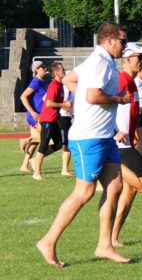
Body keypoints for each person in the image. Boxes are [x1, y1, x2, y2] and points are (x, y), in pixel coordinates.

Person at [36, 22, 131, 267]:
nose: (125, 45)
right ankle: (47, 241)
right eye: (122, 41)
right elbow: (92, 95)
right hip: (88, 137)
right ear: (109, 39)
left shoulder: (101, 60)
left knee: (115, 187)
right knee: (85, 192)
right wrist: (119, 99)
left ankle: (104, 245)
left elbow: (70, 79)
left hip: (103, 135)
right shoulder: (99, 62)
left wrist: (83, 105)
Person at [112, 43, 142, 246]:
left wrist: (133, 132)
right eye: (138, 57)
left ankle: (113, 237)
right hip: (118, 146)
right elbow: (100, 106)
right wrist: (114, 132)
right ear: (127, 59)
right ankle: (112, 167)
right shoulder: (121, 80)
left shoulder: (132, 83)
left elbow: (130, 112)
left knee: (131, 190)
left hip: (127, 141)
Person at [33, 62, 72, 180]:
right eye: (62, 70)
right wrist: (64, 104)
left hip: (54, 119)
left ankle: (35, 160)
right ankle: (36, 173)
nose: (64, 71)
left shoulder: (60, 85)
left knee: (59, 143)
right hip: (47, 119)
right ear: (56, 73)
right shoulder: (54, 85)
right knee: (44, 143)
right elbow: (49, 103)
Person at [19, 61, 47, 172]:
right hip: (34, 115)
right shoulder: (35, 82)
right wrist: (32, 112)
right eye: (42, 67)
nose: (45, 69)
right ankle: (25, 140)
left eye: (45, 67)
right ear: (36, 70)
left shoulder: (42, 82)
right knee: (45, 138)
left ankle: (24, 165)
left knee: (36, 143)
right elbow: (23, 96)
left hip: (39, 114)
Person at [58, 70, 74, 176]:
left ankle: (34, 160)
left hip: (69, 118)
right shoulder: (64, 89)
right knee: (65, 144)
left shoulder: (71, 90)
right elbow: (61, 104)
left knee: (59, 144)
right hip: (63, 117)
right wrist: (71, 110)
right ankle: (64, 169)